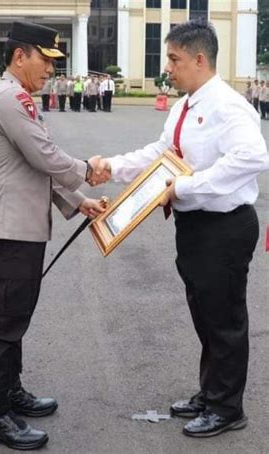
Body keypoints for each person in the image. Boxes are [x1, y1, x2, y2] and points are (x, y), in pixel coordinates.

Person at [95, 19, 268, 439]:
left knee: (224, 318)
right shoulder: (185, 105)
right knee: (204, 313)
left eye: (173, 59)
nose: (168, 68)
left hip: (224, 226)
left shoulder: (228, 105)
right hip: (195, 226)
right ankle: (211, 392)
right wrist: (113, 166)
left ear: (199, 58)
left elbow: (253, 156)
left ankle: (227, 408)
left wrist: (187, 185)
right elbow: (162, 153)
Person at [0, 21, 110, 450]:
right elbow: (47, 157)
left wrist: (78, 200)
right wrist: (87, 169)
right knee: (7, 322)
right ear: (20, 56)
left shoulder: (18, 98)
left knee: (15, 318)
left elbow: (33, 168)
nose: (50, 69)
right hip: (11, 230)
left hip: (20, 227)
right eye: (45, 59)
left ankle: (9, 393)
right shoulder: (11, 98)